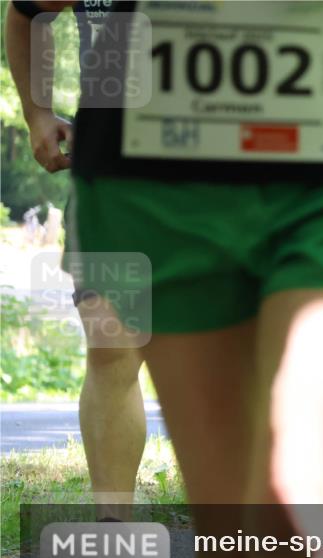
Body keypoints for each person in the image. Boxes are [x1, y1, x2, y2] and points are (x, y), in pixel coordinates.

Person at [8, 1, 323, 558]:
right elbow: (31, 8)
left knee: (283, 494)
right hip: (157, 170)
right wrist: (38, 112)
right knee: (231, 532)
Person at [6, 0, 146, 522]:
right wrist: (36, 110)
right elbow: (26, 12)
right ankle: (114, 532)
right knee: (112, 345)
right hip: (114, 173)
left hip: (235, 175)